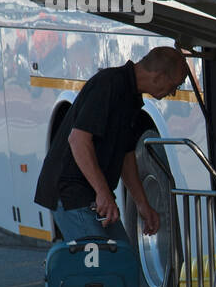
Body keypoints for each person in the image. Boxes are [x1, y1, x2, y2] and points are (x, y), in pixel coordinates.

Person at [35, 47, 189, 244]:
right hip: (70, 193)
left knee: (123, 261)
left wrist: (142, 204)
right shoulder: (108, 84)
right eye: (174, 85)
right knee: (104, 266)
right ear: (158, 77)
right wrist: (103, 193)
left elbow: (126, 154)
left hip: (91, 193)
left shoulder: (132, 96)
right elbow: (78, 140)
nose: (173, 93)